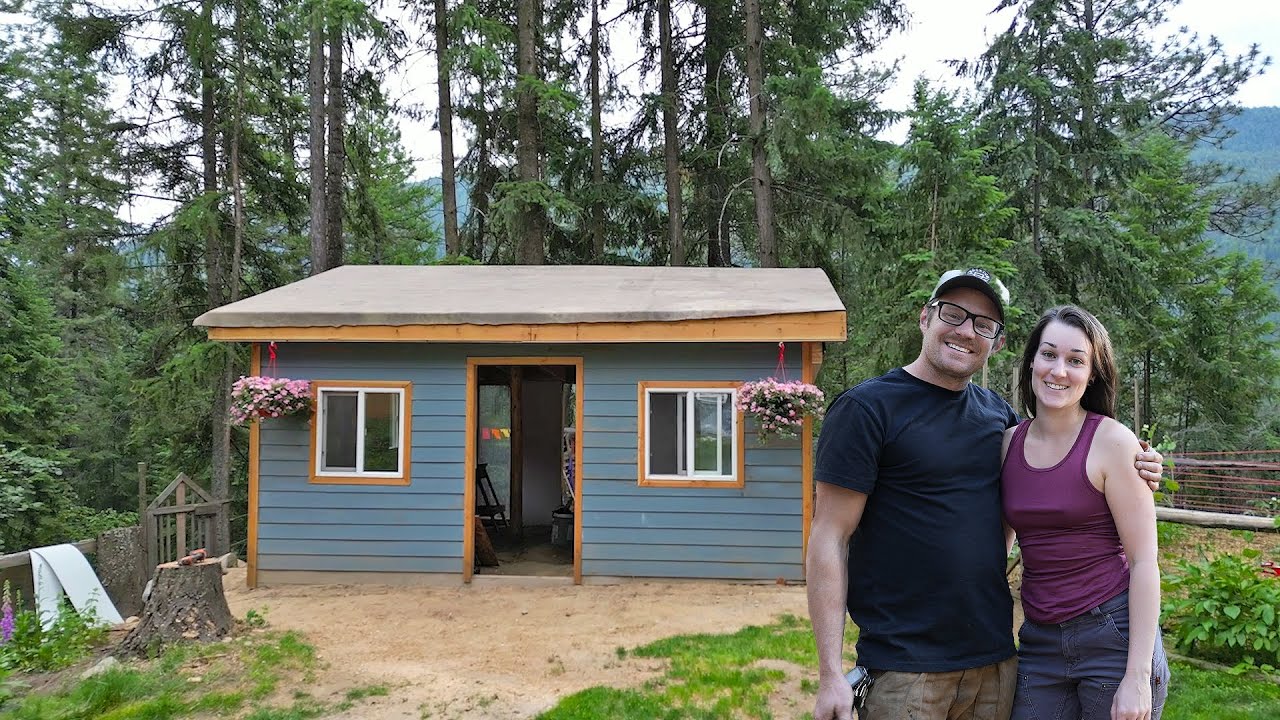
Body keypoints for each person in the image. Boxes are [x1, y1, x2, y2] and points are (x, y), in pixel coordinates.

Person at [806, 268, 1165, 720]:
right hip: (906, 666)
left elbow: (1021, 504)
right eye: (953, 314)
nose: (965, 331)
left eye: (983, 325)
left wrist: (1140, 462)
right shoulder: (867, 409)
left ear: (996, 344)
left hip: (996, 660)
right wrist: (829, 673)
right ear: (925, 317)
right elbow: (829, 537)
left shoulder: (999, 419)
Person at [1001, 305, 1169, 720]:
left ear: (1092, 373)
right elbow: (998, 547)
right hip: (1039, 641)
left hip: (1112, 635)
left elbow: (1145, 562)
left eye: (1075, 360)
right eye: (1049, 354)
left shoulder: (1113, 443)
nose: (1059, 370)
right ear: (1032, 360)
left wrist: (1137, 674)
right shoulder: (1006, 445)